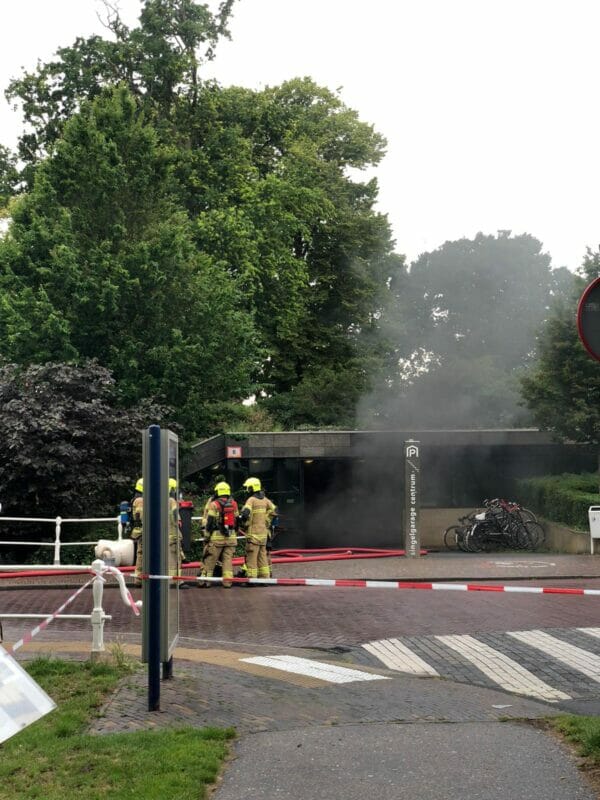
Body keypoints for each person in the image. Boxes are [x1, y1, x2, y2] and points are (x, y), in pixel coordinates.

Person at [200, 481, 239, 588]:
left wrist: (207, 536)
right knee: (227, 561)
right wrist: (234, 533)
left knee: (210, 560)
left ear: (217, 491)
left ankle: (206, 582)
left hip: (217, 539)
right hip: (231, 538)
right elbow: (237, 520)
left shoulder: (214, 504)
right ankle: (227, 583)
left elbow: (210, 522)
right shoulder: (234, 504)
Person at [239, 477, 277, 583]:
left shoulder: (251, 500)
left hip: (253, 535)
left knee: (251, 559)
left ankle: (252, 580)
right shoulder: (265, 500)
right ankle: (265, 579)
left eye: (248, 488)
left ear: (252, 488)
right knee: (262, 558)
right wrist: (266, 519)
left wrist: (242, 520)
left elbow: (245, 513)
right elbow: (275, 510)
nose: (247, 490)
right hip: (263, 535)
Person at [130, 478, 144, 587]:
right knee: (142, 554)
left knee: (141, 554)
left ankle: (139, 578)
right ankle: (139, 579)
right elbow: (141, 516)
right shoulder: (140, 500)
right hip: (143, 531)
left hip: (140, 531)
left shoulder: (138, 499)